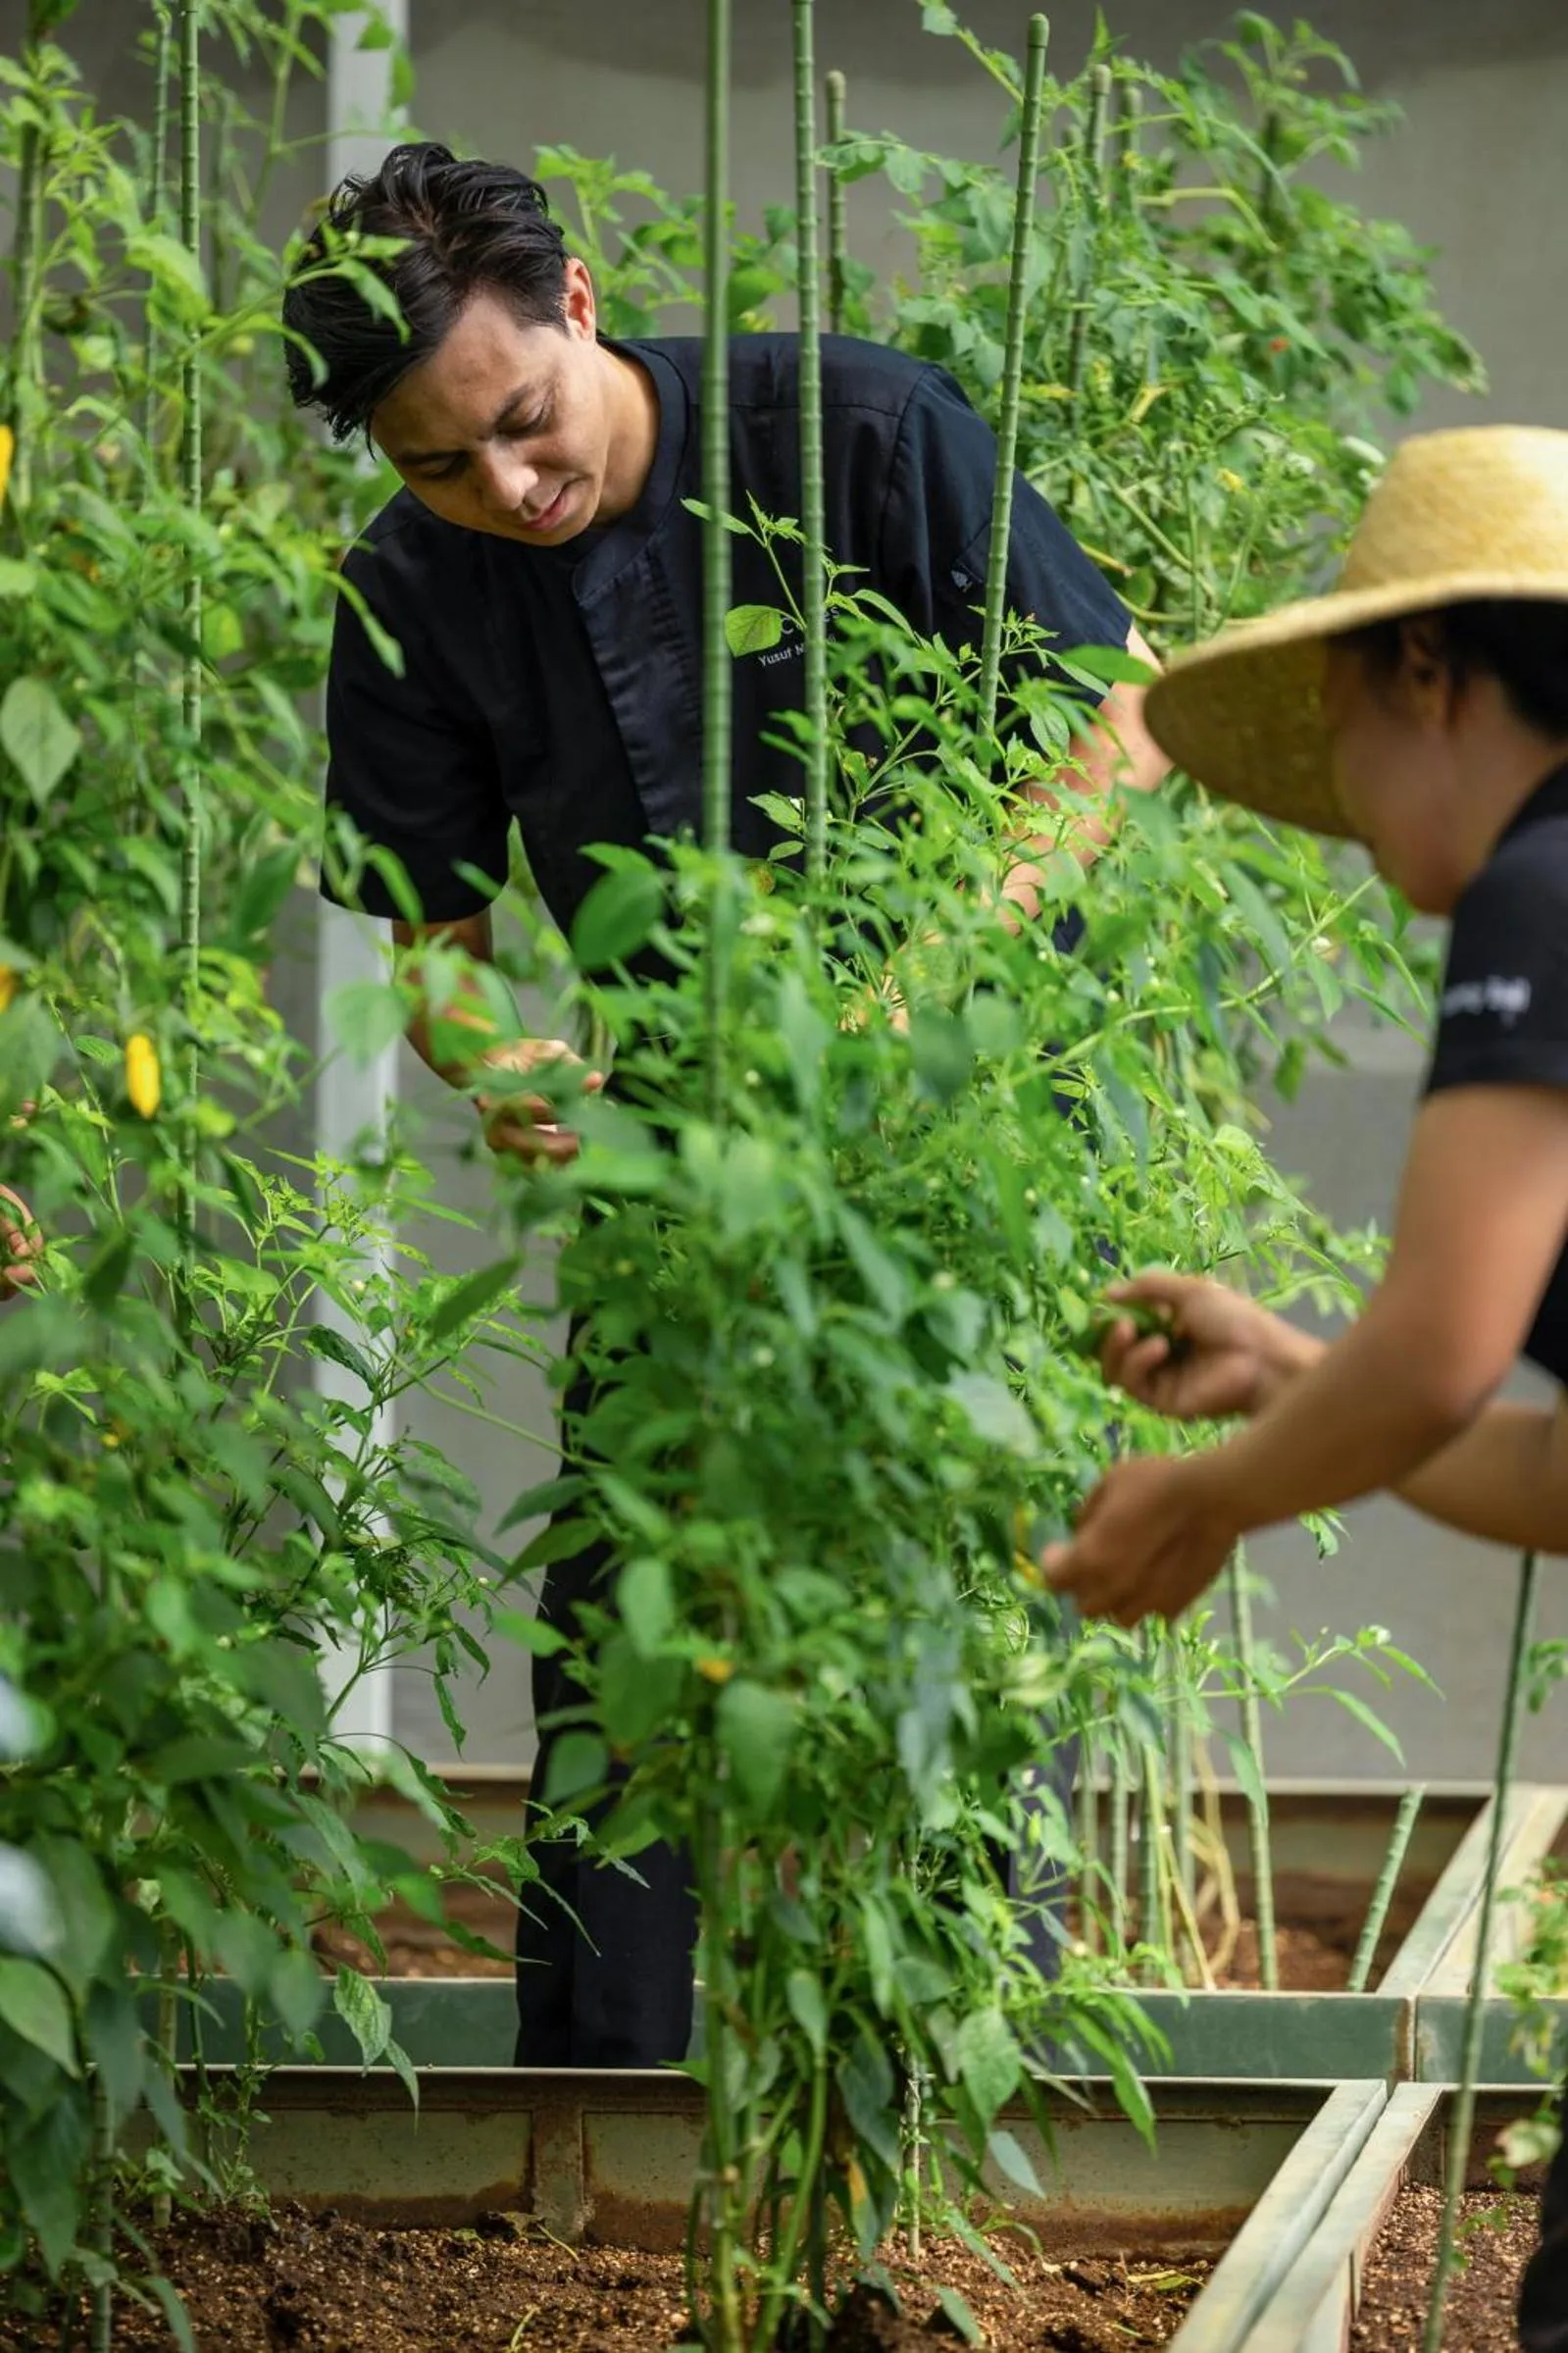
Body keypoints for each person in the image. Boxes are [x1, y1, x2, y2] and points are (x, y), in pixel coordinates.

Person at [282, 142, 1169, 2071]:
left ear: (579, 304)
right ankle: (591, 2109)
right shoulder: (414, 586)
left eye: (520, 425)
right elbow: (425, 931)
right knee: (624, 1618)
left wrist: (906, 991)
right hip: (670, 1152)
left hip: (946, 1127)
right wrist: (489, 1047)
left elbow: (1115, 716)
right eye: (435, 464)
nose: (505, 491)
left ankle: (951, 2073)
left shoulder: (851, 427)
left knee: (963, 1583)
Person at [1040, 422, 1568, 2350]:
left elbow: (1441, 1353)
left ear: (1424, 672)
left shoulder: (1548, 887)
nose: (1340, 808)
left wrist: (1203, 1494)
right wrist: (1292, 1367)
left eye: (1339, 727)